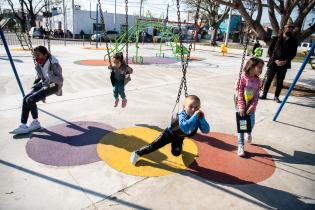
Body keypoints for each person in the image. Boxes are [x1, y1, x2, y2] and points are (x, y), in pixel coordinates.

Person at [130, 95, 210, 165]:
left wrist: (202, 119)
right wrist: (195, 116)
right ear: (184, 107)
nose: (193, 109)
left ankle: (179, 146)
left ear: (199, 108)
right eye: (190, 106)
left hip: (179, 137)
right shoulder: (182, 115)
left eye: (196, 107)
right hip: (168, 134)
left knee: (176, 153)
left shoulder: (197, 117)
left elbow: (206, 130)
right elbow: (185, 127)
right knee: (154, 146)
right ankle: (137, 153)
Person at [11, 46, 63, 134]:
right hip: (45, 84)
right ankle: (23, 125)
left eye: (38, 55)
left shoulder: (54, 63)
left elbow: (60, 80)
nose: (36, 58)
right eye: (35, 56)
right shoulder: (40, 63)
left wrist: (51, 77)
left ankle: (35, 123)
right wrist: (38, 81)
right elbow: (42, 77)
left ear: (45, 54)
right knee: (25, 99)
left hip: (53, 85)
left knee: (30, 100)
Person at [260, 22, 298, 103]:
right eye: (289, 27)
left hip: (284, 64)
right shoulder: (276, 38)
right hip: (273, 62)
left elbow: (293, 53)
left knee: (280, 81)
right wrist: (275, 60)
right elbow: (270, 51)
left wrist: (285, 61)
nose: (290, 29)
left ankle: (276, 96)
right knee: (268, 79)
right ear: (284, 28)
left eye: (292, 28)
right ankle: (264, 94)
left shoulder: (294, 41)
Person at [236, 57, 264, 156]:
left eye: (262, 67)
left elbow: (257, 95)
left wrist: (253, 105)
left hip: (251, 106)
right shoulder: (243, 77)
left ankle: (249, 132)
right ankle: (241, 145)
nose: (261, 70)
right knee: (242, 125)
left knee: (251, 124)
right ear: (252, 67)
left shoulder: (258, 80)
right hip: (241, 105)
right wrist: (241, 107)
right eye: (259, 67)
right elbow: (239, 92)